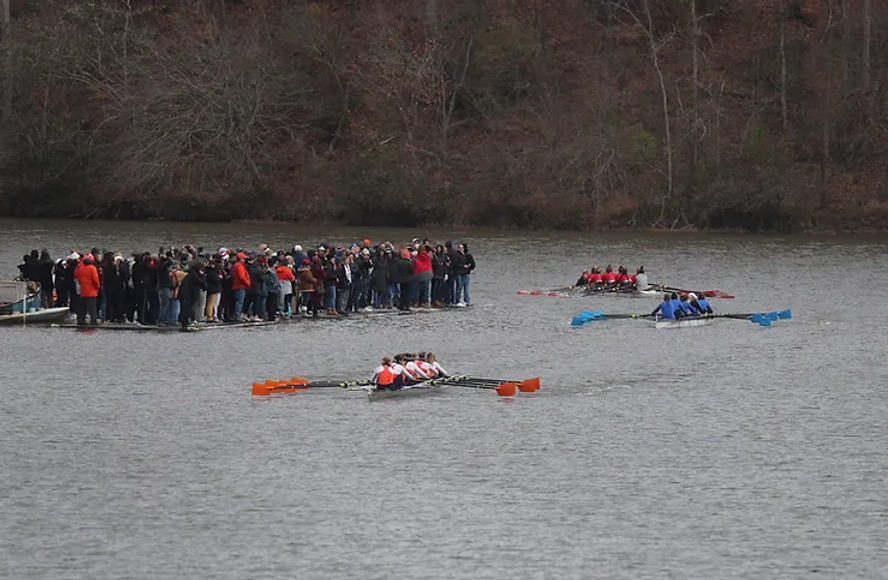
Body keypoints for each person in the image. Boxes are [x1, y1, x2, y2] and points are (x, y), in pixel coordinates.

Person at [74, 254, 100, 326]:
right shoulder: (92, 268)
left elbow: (78, 278)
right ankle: (93, 321)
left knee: (82, 308)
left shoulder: (81, 269)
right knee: (92, 308)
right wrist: (97, 286)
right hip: (91, 291)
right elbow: (95, 279)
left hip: (83, 291)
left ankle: (81, 320)